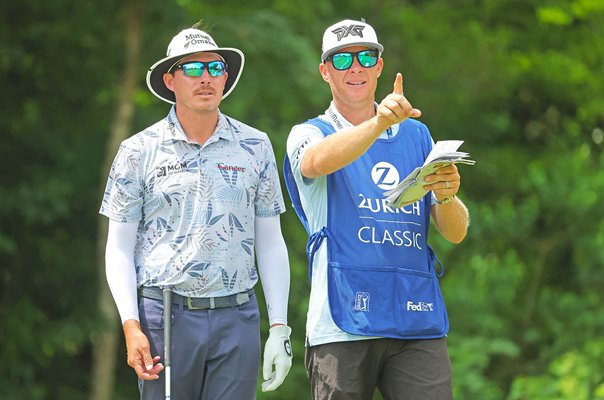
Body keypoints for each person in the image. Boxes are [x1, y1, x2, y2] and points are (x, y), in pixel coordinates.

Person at [100, 22, 292, 399]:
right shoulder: (138, 150)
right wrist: (131, 325)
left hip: (237, 316)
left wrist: (280, 327)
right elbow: (118, 247)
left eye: (215, 68)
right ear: (170, 81)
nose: (206, 78)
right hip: (165, 318)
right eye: (192, 69)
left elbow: (271, 243)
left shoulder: (256, 145)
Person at [284, 18, 470, 399]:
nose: (356, 67)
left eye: (366, 57)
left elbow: (455, 231)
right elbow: (316, 163)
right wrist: (378, 122)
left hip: (415, 316)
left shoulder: (417, 134)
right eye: (342, 60)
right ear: (324, 71)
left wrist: (449, 195)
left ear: (380, 66)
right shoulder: (309, 133)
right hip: (343, 322)